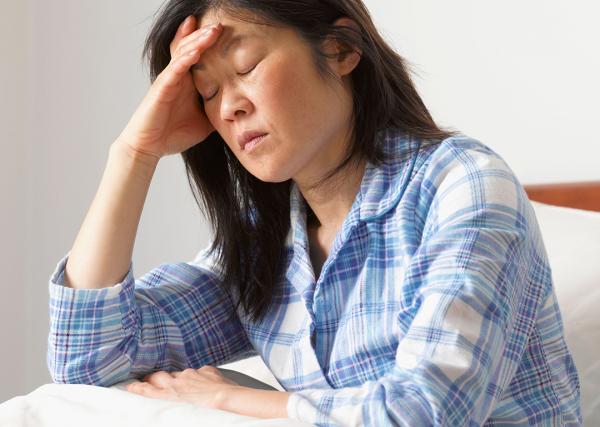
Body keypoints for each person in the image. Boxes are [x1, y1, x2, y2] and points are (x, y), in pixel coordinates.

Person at [46, 0, 582, 425]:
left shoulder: (462, 184)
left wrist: (233, 398)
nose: (229, 105)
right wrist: (133, 154)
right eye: (208, 92)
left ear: (341, 48)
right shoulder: (265, 240)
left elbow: (427, 411)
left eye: (247, 68)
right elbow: (89, 357)